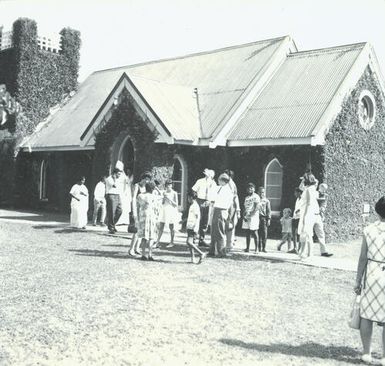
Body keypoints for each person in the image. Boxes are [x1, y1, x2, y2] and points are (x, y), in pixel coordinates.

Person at [355, 197, 385, 365]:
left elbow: (362, 258)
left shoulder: (369, 229)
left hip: (372, 274)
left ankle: (366, 353)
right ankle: (384, 357)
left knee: (366, 315)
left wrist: (358, 281)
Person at [298, 173, 332, 260]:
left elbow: (310, 203)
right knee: (307, 234)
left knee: (311, 234)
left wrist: (305, 214)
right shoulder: (311, 190)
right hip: (311, 214)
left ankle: (310, 253)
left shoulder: (314, 191)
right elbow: (301, 188)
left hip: (313, 215)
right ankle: (306, 253)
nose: (317, 185)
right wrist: (302, 180)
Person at [208, 173, 235, 257]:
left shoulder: (225, 190)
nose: (218, 181)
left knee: (219, 231)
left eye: (219, 180)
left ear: (223, 181)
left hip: (221, 210)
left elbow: (214, 198)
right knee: (213, 231)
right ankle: (212, 250)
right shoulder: (222, 188)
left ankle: (221, 252)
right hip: (218, 210)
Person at [191, 168, 217, 247]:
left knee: (205, 222)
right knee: (197, 219)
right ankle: (193, 239)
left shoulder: (213, 183)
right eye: (208, 175)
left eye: (211, 175)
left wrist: (211, 202)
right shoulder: (200, 181)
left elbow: (215, 194)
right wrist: (195, 200)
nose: (209, 176)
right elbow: (193, 190)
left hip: (208, 202)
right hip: (200, 201)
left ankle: (201, 240)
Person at [128, 172, 152, 256]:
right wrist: (134, 212)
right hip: (137, 210)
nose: (146, 182)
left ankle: (137, 248)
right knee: (137, 230)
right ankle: (131, 249)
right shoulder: (136, 186)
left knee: (141, 230)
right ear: (143, 178)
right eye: (146, 179)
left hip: (142, 211)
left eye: (148, 180)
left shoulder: (146, 187)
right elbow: (133, 199)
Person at [137, 182, 158, 261]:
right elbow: (156, 208)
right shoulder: (153, 197)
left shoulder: (140, 196)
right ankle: (150, 254)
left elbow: (138, 206)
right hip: (151, 216)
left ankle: (143, 254)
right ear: (152, 189)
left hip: (142, 216)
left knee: (143, 236)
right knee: (151, 236)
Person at [155, 179, 179, 248]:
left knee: (171, 227)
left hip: (171, 210)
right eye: (167, 185)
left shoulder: (174, 193)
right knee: (161, 226)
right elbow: (162, 202)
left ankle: (172, 242)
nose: (169, 186)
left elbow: (176, 204)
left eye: (170, 185)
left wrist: (169, 199)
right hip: (164, 210)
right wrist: (164, 198)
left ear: (172, 185)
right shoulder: (164, 192)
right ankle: (157, 242)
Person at [186, 191, 206, 264]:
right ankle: (193, 258)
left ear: (191, 197)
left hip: (193, 228)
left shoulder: (195, 206)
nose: (187, 199)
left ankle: (201, 253)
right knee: (191, 244)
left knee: (189, 242)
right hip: (189, 227)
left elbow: (197, 218)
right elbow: (190, 217)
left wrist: (195, 228)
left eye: (188, 197)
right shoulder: (192, 205)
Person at [224, 169, 241, 252]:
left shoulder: (231, 184)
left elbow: (235, 197)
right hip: (227, 205)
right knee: (227, 224)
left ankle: (229, 244)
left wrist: (238, 209)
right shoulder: (226, 183)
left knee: (229, 224)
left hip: (230, 206)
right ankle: (227, 243)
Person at [242, 183, 261, 253]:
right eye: (248, 188)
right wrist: (244, 215)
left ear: (254, 189)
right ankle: (247, 248)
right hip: (247, 215)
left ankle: (257, 249)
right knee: (247, 232)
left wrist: (251, 214)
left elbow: (256, 207)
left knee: (254, 231)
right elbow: (245, 207)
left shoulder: (256, 196)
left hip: (254, 216)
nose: (250, 189)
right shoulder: (246, 198)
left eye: (251, 188)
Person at [105, 168, 123, 234]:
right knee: (112, 212)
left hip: (117, 195)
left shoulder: (118, 179)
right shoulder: (109, 179)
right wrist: (115, 178)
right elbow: (114, 186)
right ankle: (111, 227)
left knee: (120, 211)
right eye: (118, 174)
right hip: (111, 195)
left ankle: (112, 224)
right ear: (114, 174)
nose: (119, 176)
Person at [257, 186, 271, 253]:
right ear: (257, 192)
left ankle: (264, 248)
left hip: (263, 218)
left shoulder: (266, 201)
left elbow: (268, 210)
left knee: (264, 233)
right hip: (257, 218)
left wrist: (269, 219)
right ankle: (258, 247)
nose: (261, 194)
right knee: (258, 233)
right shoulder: (256, 199)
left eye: (262, 192)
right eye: (260, 192)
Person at [290, 188, 302, 254]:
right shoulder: (297, 199)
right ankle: (295, 248)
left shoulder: (303, 199)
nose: (295, 194)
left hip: (300, 217)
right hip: (295, 217)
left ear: (299, 193)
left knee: (299, 233)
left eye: (296, 193)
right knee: (294, 232)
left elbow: (303, 207)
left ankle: (300, 249)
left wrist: (299, 210)